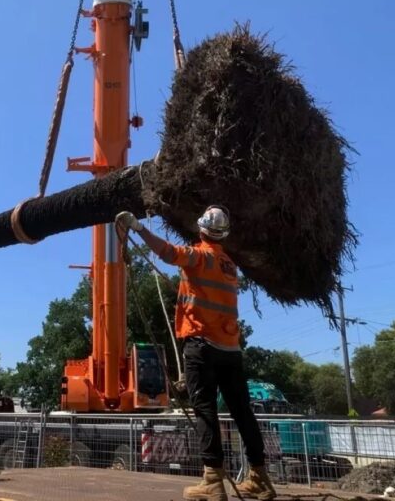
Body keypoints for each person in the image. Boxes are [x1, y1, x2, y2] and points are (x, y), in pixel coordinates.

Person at [116, 206, 277, 501]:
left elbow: (167, 252)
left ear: (201, 229)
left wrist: (138, 228)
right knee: (242, 412)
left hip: (201, 346)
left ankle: (213, 481)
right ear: (223, 234)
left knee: (205, 411)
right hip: (230, 349)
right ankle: (260, 478)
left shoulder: (198, 255)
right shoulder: (229, 265)